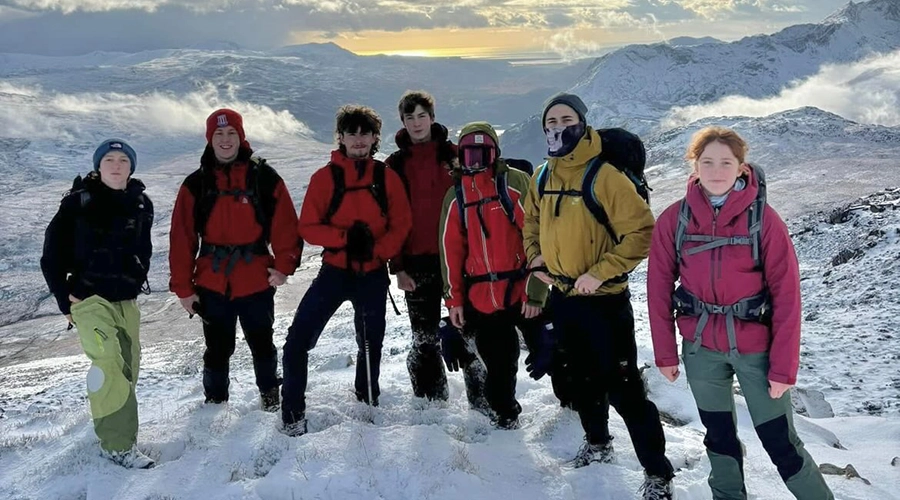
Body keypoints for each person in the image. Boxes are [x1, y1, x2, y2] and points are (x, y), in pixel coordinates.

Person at [647, 126, 834, 500]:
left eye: (726, 162)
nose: (717, 170)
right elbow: (657, 287)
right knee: (717, 437)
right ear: (695, 166)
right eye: (707, 162)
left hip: (756, 350)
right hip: (701, 348)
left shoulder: (764, 220)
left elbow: (787, 298)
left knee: (780, 442)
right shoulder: (675, 219)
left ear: (741, 167)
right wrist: (666, 353)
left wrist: (783, 370)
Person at [523, 92, 674, 497]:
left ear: (583, 123)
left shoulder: (605, 175)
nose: (558, 128)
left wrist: (599, 272)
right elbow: (532, 222)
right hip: (563, 297)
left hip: (605, 302)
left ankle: (658, 474)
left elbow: (642, 234)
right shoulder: (542, 175)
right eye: (550, 122)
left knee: (624, 389)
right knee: (581, 380)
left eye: (566, 120)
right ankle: (598, 443)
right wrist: (536, 258)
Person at [281, 104, 412, 436]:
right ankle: (292, 414)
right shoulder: (324, 178)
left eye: (364, 133)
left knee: (371, 343)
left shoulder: (386, 177)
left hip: (372, 273)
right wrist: (343, 239)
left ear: (374, 139)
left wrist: (375, 250)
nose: (357, 139)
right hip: (334, 272)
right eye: (351, 133)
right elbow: (307, 226)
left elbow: (402, 224)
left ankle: (368, 402)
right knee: (298, 341)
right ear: (340, 137)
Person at [169, 108, 301, 410]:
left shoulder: (263, 177)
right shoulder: (196, 184)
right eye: (219, 134)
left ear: (241, 137)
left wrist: (283, 268)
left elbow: (285, 224)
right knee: (216, 348)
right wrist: (184, 288)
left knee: (262, 343)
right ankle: (215, 403)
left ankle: (270, 399)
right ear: (209, 139)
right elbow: (182, 237)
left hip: (255, 278)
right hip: (212, 282)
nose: (226, 140)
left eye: (232, 134)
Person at [41, 139, 155, 468]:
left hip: (126, 299)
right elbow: (50, 257)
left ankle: (111, 423)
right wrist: (66, 301)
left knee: (129, 366)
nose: (116, 165)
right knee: (107, 362)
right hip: (88, 300)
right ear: (98, 166)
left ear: (131, 167)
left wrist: (136, 277)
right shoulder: (77, 204)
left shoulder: (141, 204)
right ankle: (116, 446)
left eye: (123, 159)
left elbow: (143, 250)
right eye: (109, 159)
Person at [437, 122, 551, 429]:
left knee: (553, 352)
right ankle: (506, 418)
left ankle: (573, 410)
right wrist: (453, 303)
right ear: (459, 155)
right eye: (468, 154)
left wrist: (536, 291)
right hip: (483, 300)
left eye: (482, 153)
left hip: (523, 290)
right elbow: (451, 254)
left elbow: (538, 238)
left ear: (495, 153)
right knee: (499, 368)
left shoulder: (514, 183)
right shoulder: (456, 196)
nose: (475, 161)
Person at [385, 91, 486, 409]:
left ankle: (482, 401)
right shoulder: (396, 164)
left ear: (432, 116)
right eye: (409, 117)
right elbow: (392, 218)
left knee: (470, 335)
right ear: (403, 122)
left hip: (459, 259)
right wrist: (397, 267)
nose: (416, 123)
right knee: (425, 338)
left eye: (421, 116)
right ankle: (431, 402)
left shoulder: (454, 155)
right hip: (416, 262)